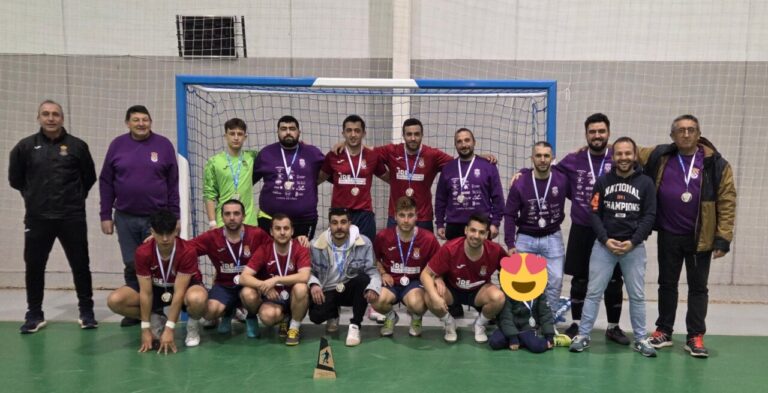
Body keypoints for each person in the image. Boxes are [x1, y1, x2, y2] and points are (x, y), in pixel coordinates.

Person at [639, 115, 736, 358]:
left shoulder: (716, 164)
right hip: (669, 234)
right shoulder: (661, 156)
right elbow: (629, 150)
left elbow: (727, 201)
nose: (685, 134)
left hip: (699, 237)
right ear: (672, 135)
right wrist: (600, 147)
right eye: (680, 130)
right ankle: (664, 330)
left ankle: (695, 335)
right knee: (667, 284)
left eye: (691, 130)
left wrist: (723, 238)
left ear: (698, 133)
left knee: (698, 288)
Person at [9, 100, 98, 333]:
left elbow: (88, 178)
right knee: (34, 266)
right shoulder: (25, 147)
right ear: (38, 117)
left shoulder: (77, 146)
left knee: (80, 264)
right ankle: (34, 314)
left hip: (71, 216)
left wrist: (75, 198)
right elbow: (15, 180)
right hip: (38, 218)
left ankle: (87, 312)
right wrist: (34, 197)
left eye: (55, 114)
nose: (51, 118)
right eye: (46, 114)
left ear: (62, 118)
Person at [569, 137, 658, 357]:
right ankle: (583, 335)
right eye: (619, 154)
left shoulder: (646, 183)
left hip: (633, 249)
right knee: (593, 293)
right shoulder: (602, 182)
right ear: (613, 156)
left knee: (636, 295)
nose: (624, 157)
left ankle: (640, 338)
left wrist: (633, 241)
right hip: (604, 247)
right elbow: (595, 213)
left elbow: (649, 216)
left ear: (635, 155)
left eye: (628, 153)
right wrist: (605, 239)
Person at [99, 105, 180, 327]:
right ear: (128, 123)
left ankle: (156, 310)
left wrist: (175, 217)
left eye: (145, 119)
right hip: (125, 217)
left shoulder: (163, 145)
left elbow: (173, 184)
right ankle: (137, 311)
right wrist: (105, 214)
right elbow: (106, 181)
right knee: (131, 263)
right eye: (136, 120)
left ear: (151, 122)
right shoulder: (117, 145)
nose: (141, 123)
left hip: (157, 218)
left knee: (156, 263)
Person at [556, 113, 628, 344]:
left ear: (609, 133)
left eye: (601, 131)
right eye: (592, 132)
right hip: (582, 227)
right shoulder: (573, 159)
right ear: (586, 134)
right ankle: (576, 323)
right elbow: (548, 170)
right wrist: (523, 174)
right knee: (580, 279)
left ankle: (613, 326)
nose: (597, 136)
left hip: (612, 229)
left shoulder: (619, 157)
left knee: (615, 280)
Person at [106, 210, 208, 354]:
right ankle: (155, 319)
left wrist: (170, 328)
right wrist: (145, 327)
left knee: (198, 298)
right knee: (115, 300)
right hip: (155, 288)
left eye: (169, 233)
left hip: (180, 288)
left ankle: (192, 327)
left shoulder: (187, 251)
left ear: (176, 230)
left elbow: (179, 293)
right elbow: (146, 293)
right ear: (152, 232)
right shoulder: (143, 252)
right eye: (160, 233)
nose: (165, 238)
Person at [188, 199, 272, 345]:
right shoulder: (212, 237)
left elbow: (275, 249)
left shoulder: (256, 234)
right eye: (227, 214)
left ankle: (251, 317)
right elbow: (186, 248)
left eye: (236, 213)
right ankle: (228, 312)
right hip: (224, 286)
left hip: (248, 285)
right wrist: (160, 240)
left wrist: (299, 241)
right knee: (209, 313)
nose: (232, 217)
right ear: (222, 217)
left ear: (244, 216)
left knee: (250, 296)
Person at [421, 214, 506, 343]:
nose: (476, 236)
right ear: (466, 230)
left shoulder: (496, 250)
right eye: (473, 230)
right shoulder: (450, 248)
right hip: (452, 290)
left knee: (498, 297)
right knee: (429, 296)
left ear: (487, 234)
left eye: (481, 232)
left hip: (479, 291)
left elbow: (511, 272)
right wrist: (435, 296)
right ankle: (449, 323)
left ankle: (479, 324)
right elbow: (425, 274)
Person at [504, 141, 569, 311]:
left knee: (555, 280)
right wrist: (510, 243)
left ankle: (550, 318)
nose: (542, 159)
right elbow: (509, 214)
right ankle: (523, 318)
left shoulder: (561, 180)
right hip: (526, 237)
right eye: (538, 155)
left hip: (552, 235)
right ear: (532, 158)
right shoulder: (520, 183)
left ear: (552, 158)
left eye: (546, 156)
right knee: (520, 280)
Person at [308, 208, 381, 346]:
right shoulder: (316, 245)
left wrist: (374, 287)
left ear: (350, 223)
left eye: (343, 222)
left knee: (363, 280)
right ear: (329, 225)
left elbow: (373, 271)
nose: (339, 227)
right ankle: (333, 314)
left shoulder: (364, 242)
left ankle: (355, 326)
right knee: (316, 317)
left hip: (350, 288)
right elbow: (309, 271)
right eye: (334, 223)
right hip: (327, 289)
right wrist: (314, 284)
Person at [371, 196, 441, 337]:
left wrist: (437, 279)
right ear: (395, 216)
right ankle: (390, 317)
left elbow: (438, 264)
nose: (406, 220)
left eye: (410, 215)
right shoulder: (383, 236)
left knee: (417, 304)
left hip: (414, 283)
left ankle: (416, 318)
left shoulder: (428, 239)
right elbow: (375, 259)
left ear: (417, 216)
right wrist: (383, 272)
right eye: (402, 215)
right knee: (375, 299)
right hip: (391, 281)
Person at [239, 213, 312, 346]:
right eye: (278, 229)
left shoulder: (300, 248)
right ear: (272, 232)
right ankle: (284, 318)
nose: (282, 232)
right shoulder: (264, 249)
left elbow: (304, 276)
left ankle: (294, 327)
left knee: (301, 287)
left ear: (292, 231)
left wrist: (276, 279)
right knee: (248, 295)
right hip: (274, 298)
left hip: (293, 297)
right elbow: (244, 277)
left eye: (286, 228)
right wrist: (264, 285)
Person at [253, 115, 327, 240]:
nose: (288, 132)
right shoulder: (266, 153)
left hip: (304, 220)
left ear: (299, 132)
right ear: (277, 132)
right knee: (270, 258)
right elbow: (248, 181)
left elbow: (333, 171)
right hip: (270, 220)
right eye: (283, 129)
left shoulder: (312, 153)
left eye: (292, 128)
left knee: (300, 257)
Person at [321, 114, 388, 242]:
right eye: (349, 131)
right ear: (343, 133)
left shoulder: (373, 156)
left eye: (357, 131)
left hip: (364, 214)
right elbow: (317, 179)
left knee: (366, 254)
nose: (353, 135)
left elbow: (389, 178)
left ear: (364, 133)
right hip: (339, 215)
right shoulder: (333, 155)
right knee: (339, 255)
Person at [435, 128, 504, 241]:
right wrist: (440, 224)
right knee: (455, 259)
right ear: (455, 145)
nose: (464, 144)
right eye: (459, 141)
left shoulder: (488, 166)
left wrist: (495, 223)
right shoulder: (448, 168)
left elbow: (498, 198)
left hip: (481, 226)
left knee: (480, 259)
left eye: (467, 140)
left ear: (474, 142)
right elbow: (440, 199)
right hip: (454, 226)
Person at [203, 118, 259, 229]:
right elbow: (209, 194)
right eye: (232, 134)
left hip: (249, 221)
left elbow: (273, 156)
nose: (236, 137)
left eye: (240, 134)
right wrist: (212, 223)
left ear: (245, 137)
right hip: (223, 221)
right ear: (225, 136)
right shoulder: (214, 162)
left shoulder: (252, 157)